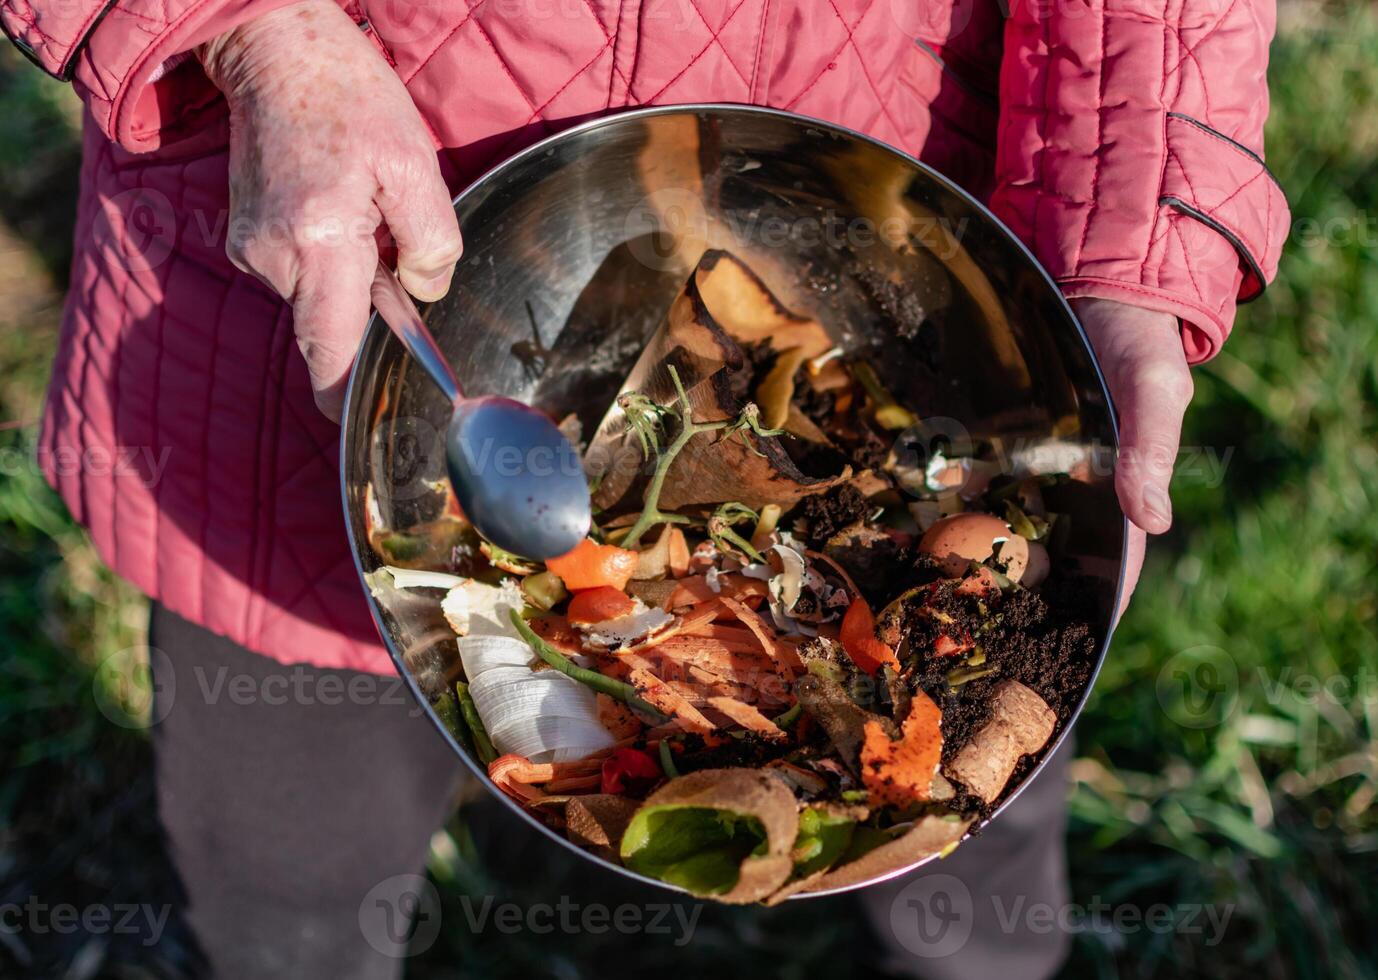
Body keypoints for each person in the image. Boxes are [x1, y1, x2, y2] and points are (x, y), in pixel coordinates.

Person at [3, 0, 1288, 975]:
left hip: (887, 271)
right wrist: (248, 34)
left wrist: (1131, 241)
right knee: (289, 852)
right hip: (304, 269)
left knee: (969, 812)